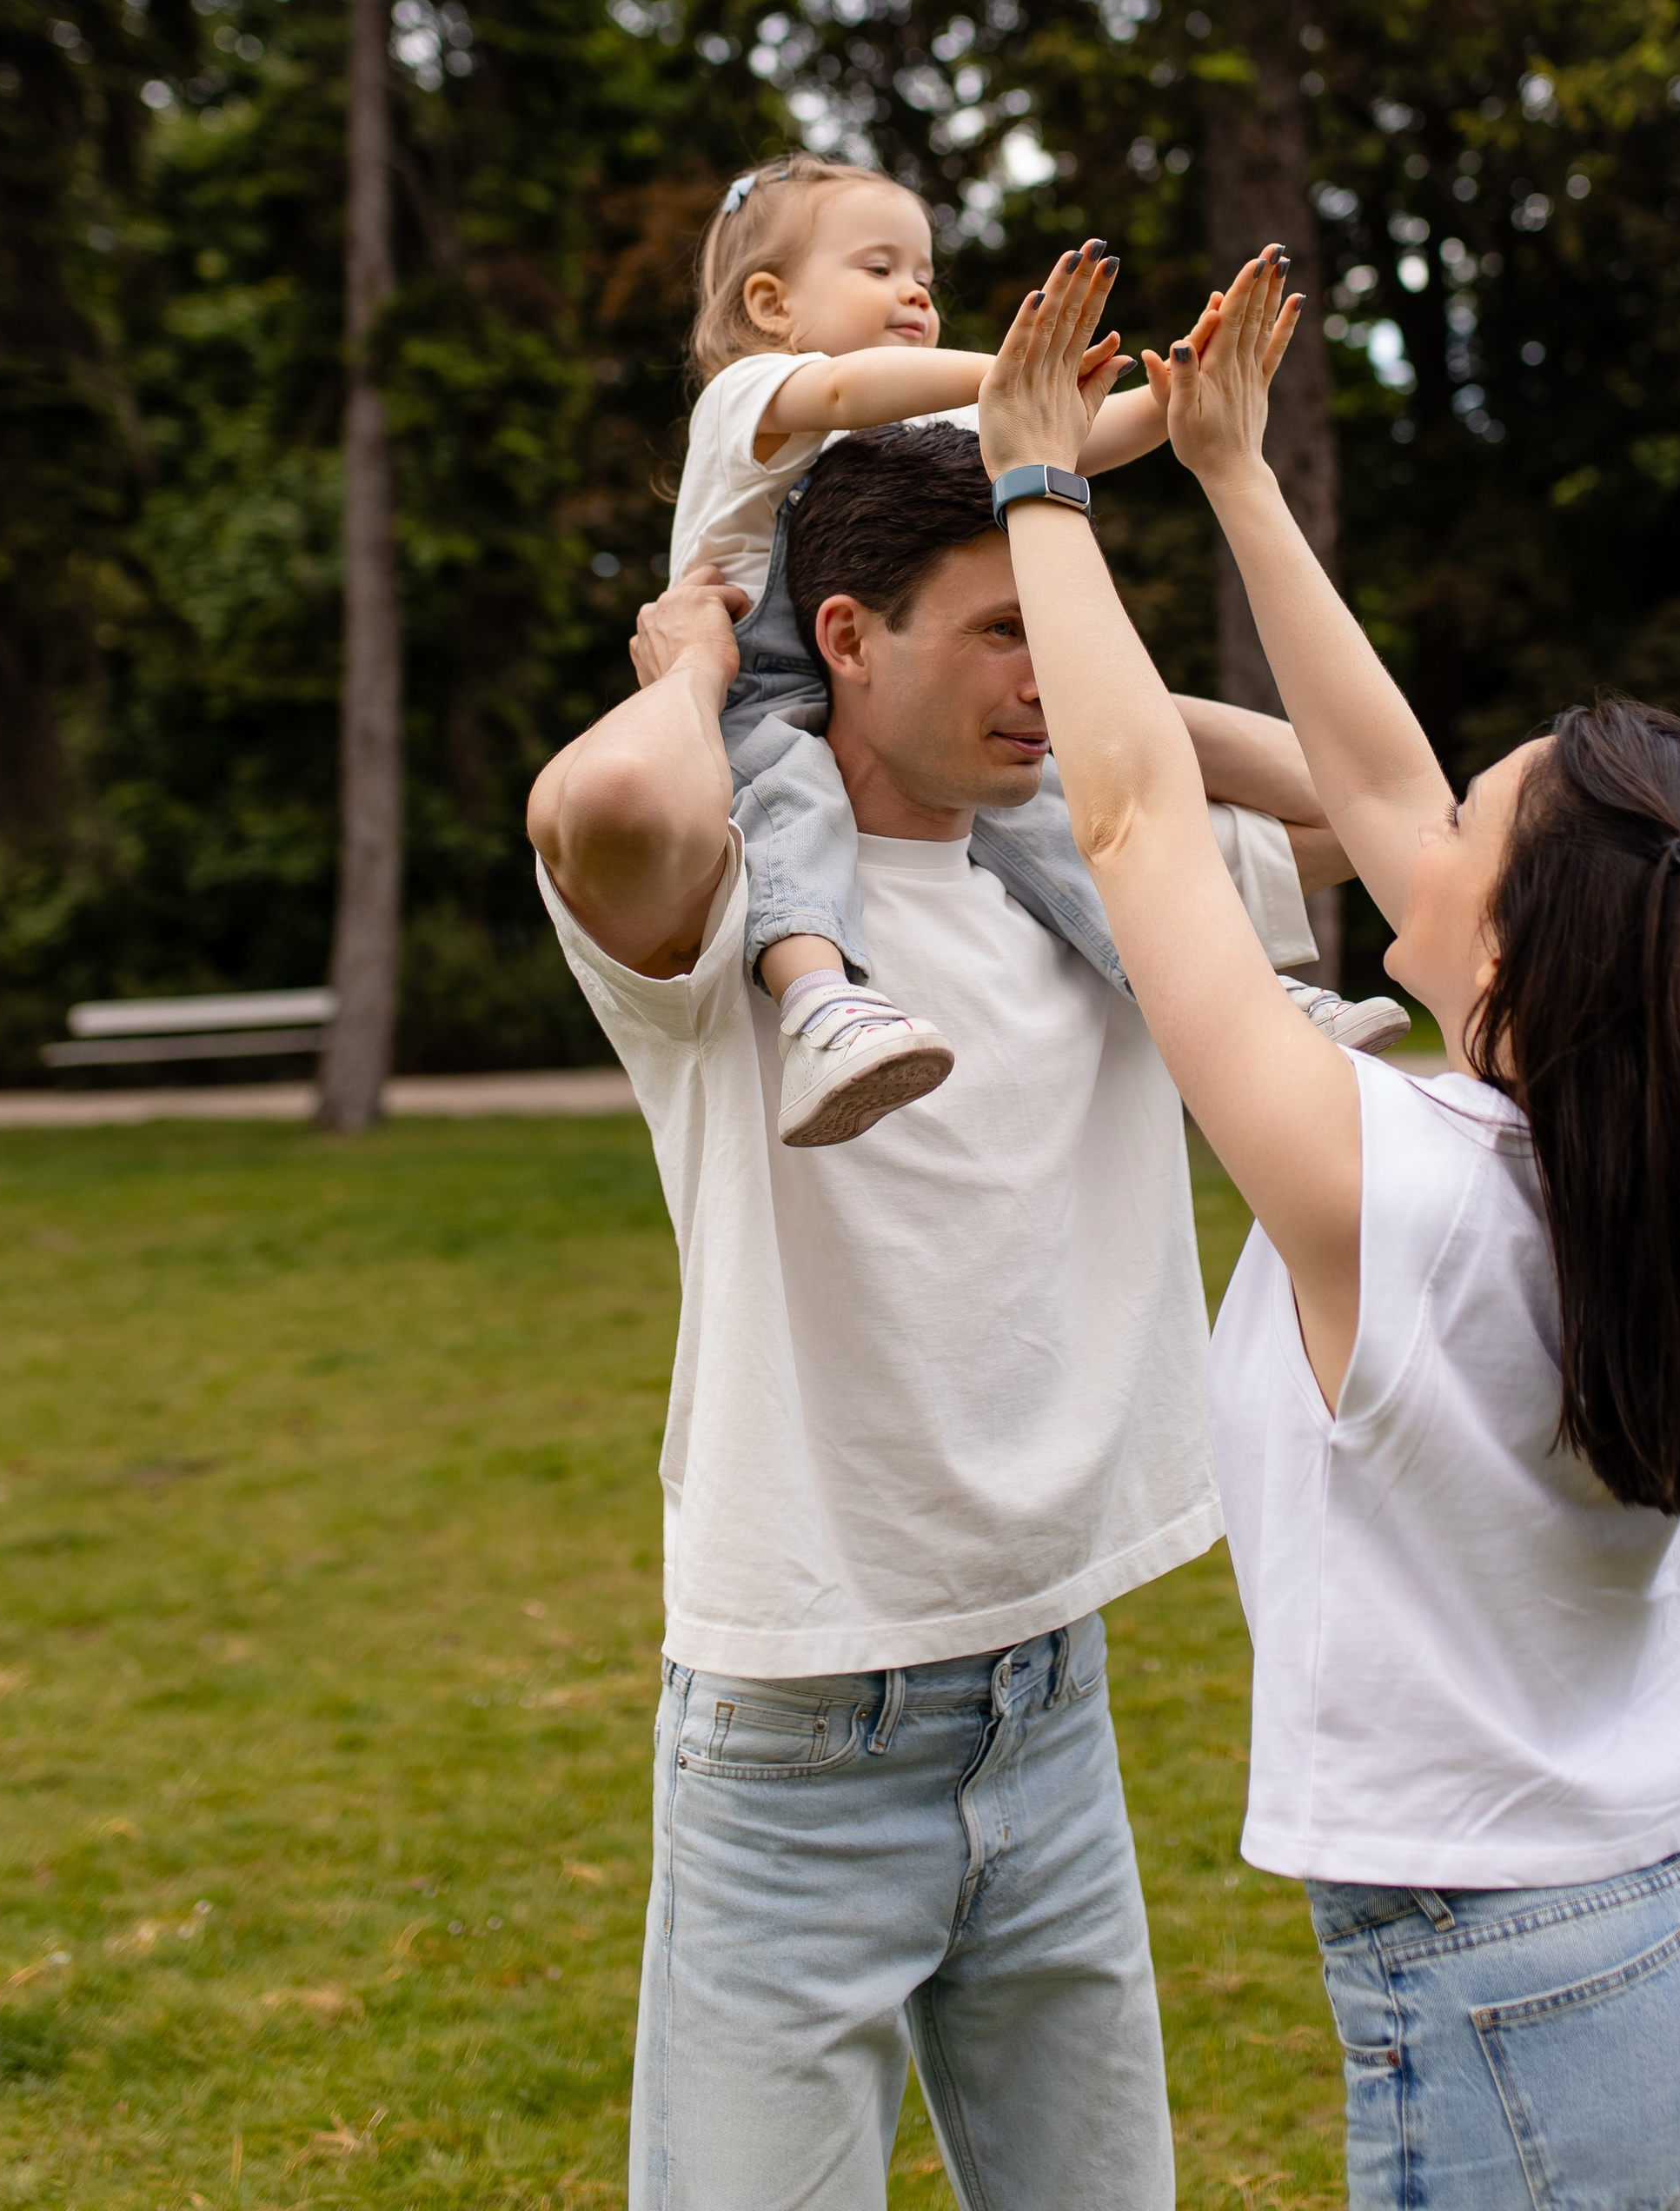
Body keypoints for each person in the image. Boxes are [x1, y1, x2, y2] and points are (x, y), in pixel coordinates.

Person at [974, 245, 1680, 2211]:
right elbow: (1378, 772)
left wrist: (1037, 482)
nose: (1418, 818)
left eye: (1474, 825)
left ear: (1525, 945)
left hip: (1518, 1993)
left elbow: (1130, 831)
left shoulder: (1396, 1191)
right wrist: (1229, 469)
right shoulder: (1655, 1159)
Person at [525, 395, 1351, 2211]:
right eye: (998, 633)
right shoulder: (737, 919)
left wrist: (1088, 659)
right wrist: (702, 666)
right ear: (843, 638)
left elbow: (1356, 802)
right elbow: (603, 806)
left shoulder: (1103, 881)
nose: (1040, 680)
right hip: (795, 1737)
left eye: (1052, 635)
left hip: (1051, 1706)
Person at [671, 152, 1405, 1144]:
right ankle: (822, 1010)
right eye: (879, 268)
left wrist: (1179, 390)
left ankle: (1240, 995)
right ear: (769, 303)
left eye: (925, 274)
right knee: (793, 810)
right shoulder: (752, 397)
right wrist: (1027, 379)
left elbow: (1073, 439)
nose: (916, 292)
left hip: (914, 702)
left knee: (1071, 828)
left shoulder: (929, 421)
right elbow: (847, 393)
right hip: (762, 697)